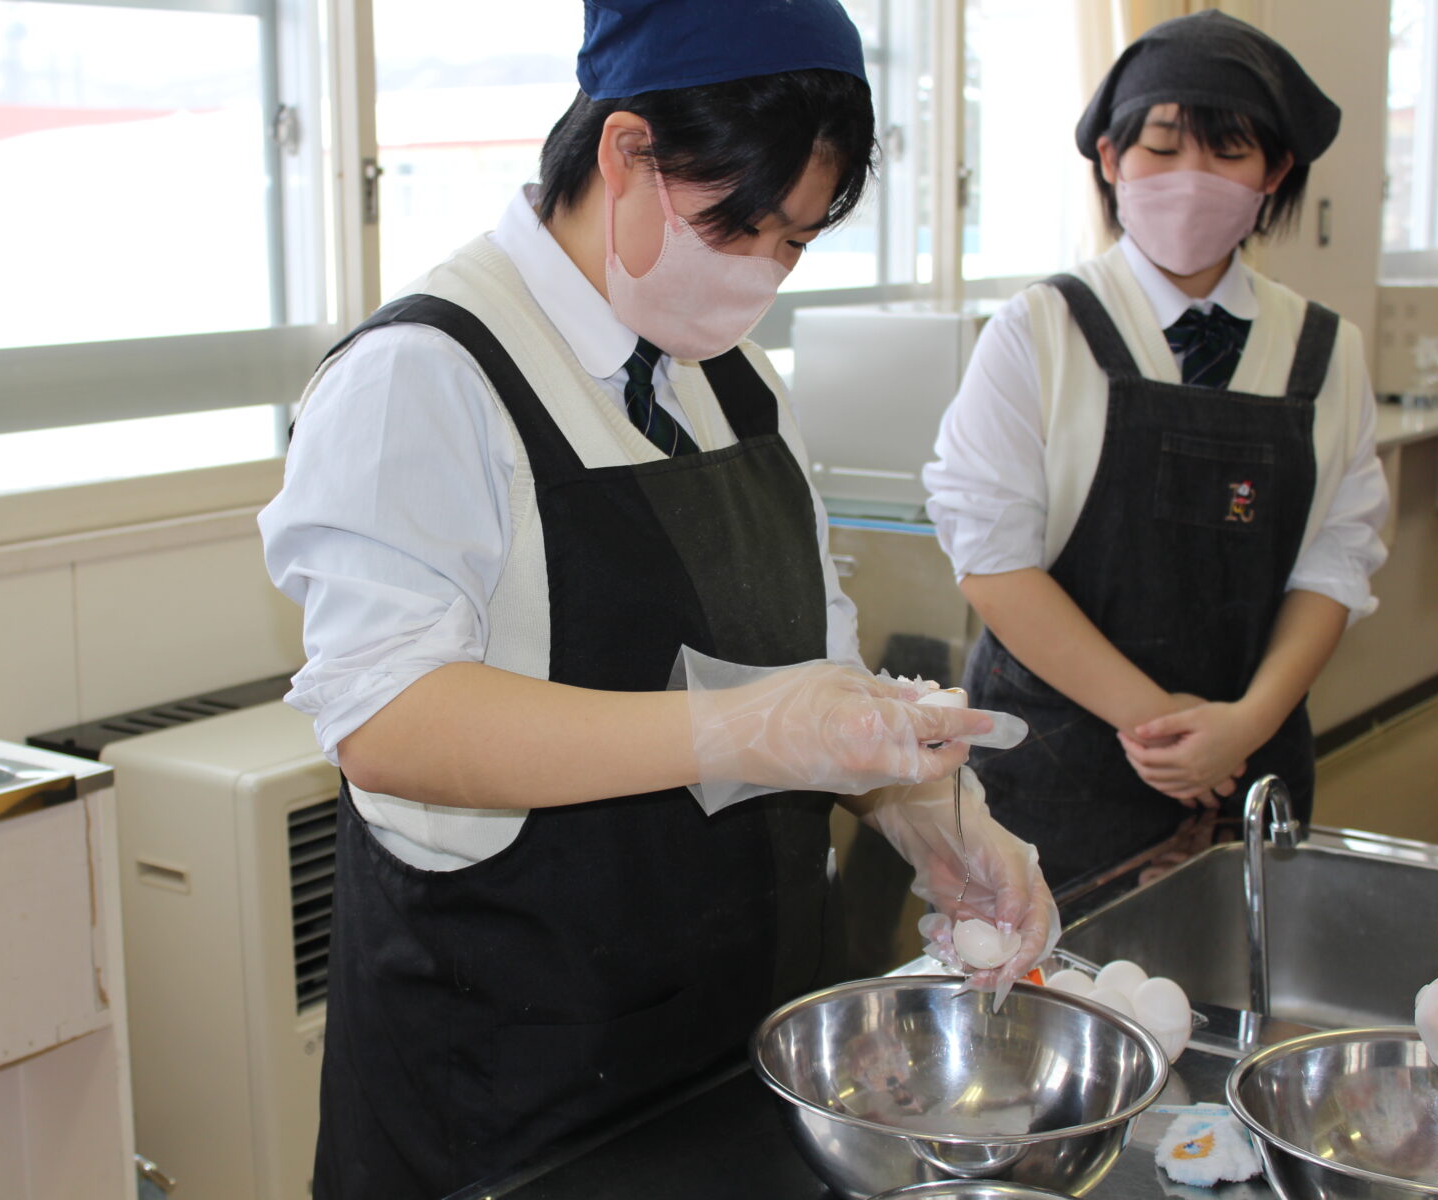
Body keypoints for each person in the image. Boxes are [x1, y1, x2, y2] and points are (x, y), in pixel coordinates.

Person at [258, 3, 1056, 1197]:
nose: (760, 273)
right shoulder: (424, 376)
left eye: (793, 242)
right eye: (738, 225)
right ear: (626, 151)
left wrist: (924, 806)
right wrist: (737, 730)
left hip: (741, 1034)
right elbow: (390, 721)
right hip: (517, 1072)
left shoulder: (724, 382)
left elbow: (814, 656)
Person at [923, 11, 1389, 894]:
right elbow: (992, 560)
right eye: (1163, 148)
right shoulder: (1040, 330)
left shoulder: (1325, 350)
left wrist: (1246, 724)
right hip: (1058, 767)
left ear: (1275, 172)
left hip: (1250, 755)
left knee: (1234, 1001)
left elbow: (1336, 562)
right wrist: (1169, 728)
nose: (1192, 178)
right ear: (1109, 158)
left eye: (1228, 151)